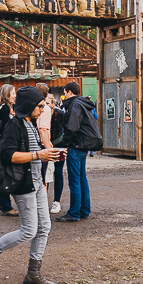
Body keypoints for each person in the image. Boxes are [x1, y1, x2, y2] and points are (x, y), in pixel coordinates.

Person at [0, 86, 61, 284]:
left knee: (44, 227)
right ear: (29, 105)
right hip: (23, 184)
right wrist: (39, 154)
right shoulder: (15, 125)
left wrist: (47, 154)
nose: (43, 109)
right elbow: (8, 155)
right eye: (40, 105)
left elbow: (31, 152)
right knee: (29, 230)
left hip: (37, 183)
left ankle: (33, 273)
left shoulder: (31, 123)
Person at [56, 81, 102, 222]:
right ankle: (84, 210)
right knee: (82, 179)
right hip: (84, 145)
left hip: (76, 145)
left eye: (65, 93)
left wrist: (63, 144)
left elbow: (72, 127)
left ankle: (74, 213)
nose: (64, 96)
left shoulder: (75, 105)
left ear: (70, 92)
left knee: (74, 180)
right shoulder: (83, 103)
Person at [0, 85, 18, 216]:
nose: (15, 95)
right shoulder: (5, 108)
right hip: (4, 142)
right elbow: (7, 127)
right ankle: (6, 206)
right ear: (7, 94)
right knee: (5, 174)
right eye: (13, 92)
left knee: (2, 171)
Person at [48, 96, 67, 214]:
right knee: (44, 174)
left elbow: (66, 128)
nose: (45, 106)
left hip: (59, 143)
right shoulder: (38, 112)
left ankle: (57, 201)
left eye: (48, 103)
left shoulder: (59, 113)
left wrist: (66, 145)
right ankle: (42, 201)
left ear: (52, 104)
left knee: (58, 172)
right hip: (45, 145)